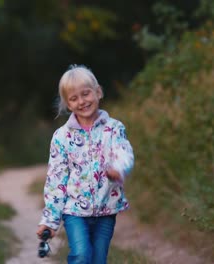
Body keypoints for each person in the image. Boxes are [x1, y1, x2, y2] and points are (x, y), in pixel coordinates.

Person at [36, 65, 134, 264]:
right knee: (81, 255)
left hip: (106, 209)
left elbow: (124, 152)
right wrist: (49, 221)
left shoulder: (114, 128)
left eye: (86, 94)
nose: (82, 101)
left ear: (98, 92)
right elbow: (56, 180)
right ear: (68, 104)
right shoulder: (61, 137)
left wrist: (119, 168)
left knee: (98, 260)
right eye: (74, 98)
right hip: (74, 212)